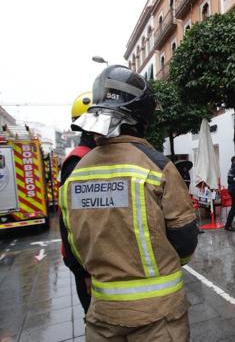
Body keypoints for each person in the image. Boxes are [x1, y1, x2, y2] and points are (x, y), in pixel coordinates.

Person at [60, 65, 198, 341]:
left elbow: (72, 245)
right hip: (158, 318)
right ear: (142, 117)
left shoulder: (76, 173)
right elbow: (184, 241)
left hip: (103, 316)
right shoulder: (157, 166)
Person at [59, 92, 96, 314]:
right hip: (84, 262)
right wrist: (83, 271)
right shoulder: (79, 161)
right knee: (94, 317)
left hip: (91, 258)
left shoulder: (89, 155)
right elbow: (72, 222)